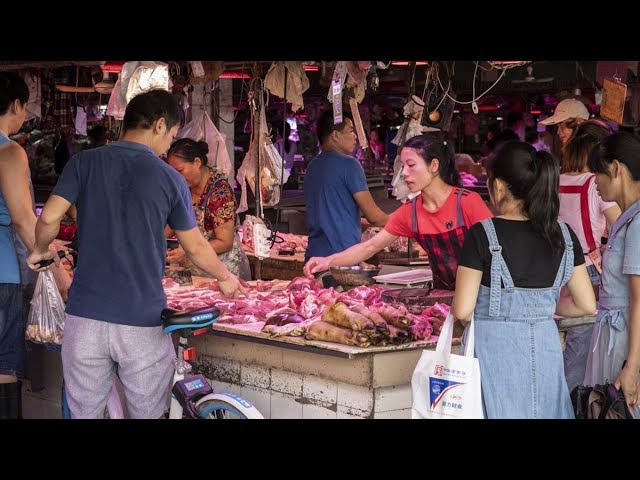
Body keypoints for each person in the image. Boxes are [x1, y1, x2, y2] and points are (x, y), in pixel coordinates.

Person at [27, 90, 244, 419]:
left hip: (85, 319)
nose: (167, 146)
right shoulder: (170, 178)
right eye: (171, 136)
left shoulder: (84, 162)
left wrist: (40, 250)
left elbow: (49, 218)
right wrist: (226, 277)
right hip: (140, 321)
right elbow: (196, 247)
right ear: (159, 125)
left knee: (85, 414)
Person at [451, 140, 596, 418]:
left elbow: (462, 310)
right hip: (545, 347)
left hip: (495, 352)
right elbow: (586, 305)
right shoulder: (564, 235)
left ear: (500, 186)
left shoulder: (482, 234)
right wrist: (543, 308)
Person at [305, 133, 493, 290]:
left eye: (411, 165)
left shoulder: (468, 203)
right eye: (403, 166)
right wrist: (327, 261)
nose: (403, 173)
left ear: (434, 166)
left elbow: (497, 251)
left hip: (484, 292)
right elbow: (369, 247)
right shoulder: (410, 212)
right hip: (443, 296)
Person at [0, 72, 69, 418]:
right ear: (15, 104)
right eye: (24, 109)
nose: (24, 117)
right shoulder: (9, 152)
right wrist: (58, 273)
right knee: (2, 368)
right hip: (2, 277)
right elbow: (26, 221)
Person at [558, 120, 620, 393]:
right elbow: (620, 225)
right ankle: (570, 401)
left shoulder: (556, 181)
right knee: (581, 348)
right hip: (588, 271)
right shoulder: (596, 184)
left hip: (556, 269)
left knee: (560, 338)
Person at [584, 131, 640, 415]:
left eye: (598, 172)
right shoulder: (625, 218)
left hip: (626, 340)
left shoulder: (638, 222)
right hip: (614, 333)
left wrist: (632, 366)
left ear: (616, 168)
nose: (594, 182)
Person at [303, 110, 388, 285]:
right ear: (335, 135)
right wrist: (407, 220)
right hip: (341, 261)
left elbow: (334, 211)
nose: (355, 136)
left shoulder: (312, 166)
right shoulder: (350, 165)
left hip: (314, 259)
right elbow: (375, 217)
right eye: (350, 130)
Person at [166, 138, 251, 280]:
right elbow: (171, 226)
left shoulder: (220, 192)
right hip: (193, 271)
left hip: (222, 272)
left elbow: (225, 242)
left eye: (180, 171)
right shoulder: (183, 189)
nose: (176, 177)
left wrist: (187, 251)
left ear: (197, 162)